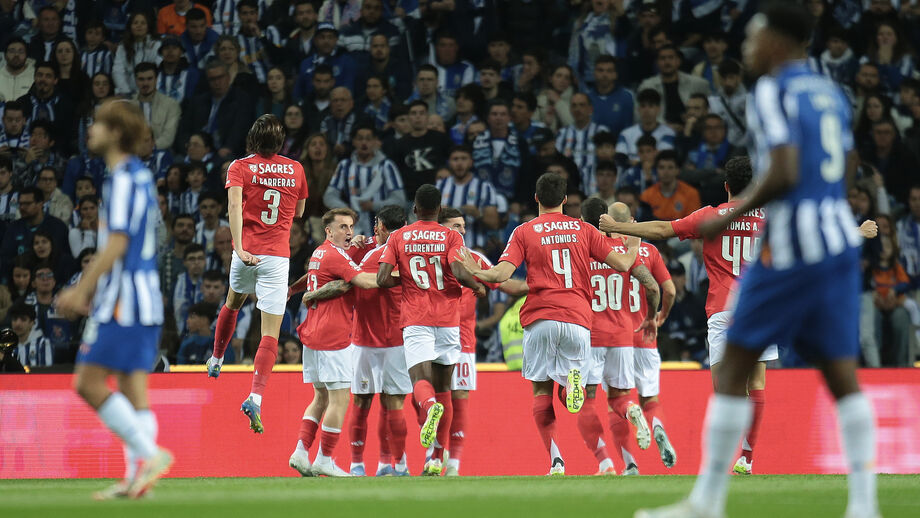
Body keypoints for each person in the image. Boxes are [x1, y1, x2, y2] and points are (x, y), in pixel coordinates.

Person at [635, 5, 877, 517]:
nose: (747, 47)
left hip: (788, 249)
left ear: (778, 41)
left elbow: (784, 169)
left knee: (732, 371)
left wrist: (729, 216)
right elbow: (850, 162)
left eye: (753, 36)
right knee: (841, 374)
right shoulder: (831, 91)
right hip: (834, 244)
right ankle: (863, 505)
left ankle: (706, 501)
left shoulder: (773, 90)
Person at [454, 172, 643, 475]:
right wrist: (633, 242)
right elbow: (622, 264)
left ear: (537, 198)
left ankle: (556, 460)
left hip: (541, 316)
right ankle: (571, 385)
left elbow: (501, 274)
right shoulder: (584, 229)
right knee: (570, 392)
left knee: (541, 392)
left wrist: (474, 269)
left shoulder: (524, 231)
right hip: (579, 320)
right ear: (566, 200)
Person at [55, 99, 172, 500]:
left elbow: (117, 242)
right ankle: (135, 482)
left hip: (124, 301)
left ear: (116, 133)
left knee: (87, 382)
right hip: (142, 298)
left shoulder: (122, 179)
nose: (91, 131)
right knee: (132, 388)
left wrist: (81, 289)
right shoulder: (140, 176)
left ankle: (149, 453)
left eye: (99, 125)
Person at [206, 114, 309, 435]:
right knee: (270, 333)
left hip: (247, 251)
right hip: (277, 257)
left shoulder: (240, 166)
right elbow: (302, 212)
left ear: (252, 138)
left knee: (233, 303)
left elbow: (233, 208)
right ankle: (256, 395)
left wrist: (238, 248)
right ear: (281, 142)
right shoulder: (295, 169)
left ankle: (217, 358)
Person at [376, 184, 487, 476]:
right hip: (449, 320)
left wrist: (409, 280)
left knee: (419, 381)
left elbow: (382, 278)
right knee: (445, 388)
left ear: (415, 209)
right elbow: (460, 269)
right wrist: (474, 284)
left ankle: (429, 407)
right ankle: (436, 457)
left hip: (416, 318)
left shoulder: (399, 236)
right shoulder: (451, 236)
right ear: (439, 209)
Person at [288, 207, 380, 477]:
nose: (349, 232)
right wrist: (397, 278)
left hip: (313, 333)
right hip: (334, 334)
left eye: (351, 227)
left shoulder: (320, 252)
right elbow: (362, 279)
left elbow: (331, 270)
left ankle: (300, 452)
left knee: (320, 397)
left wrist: (294, 289)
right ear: (328, 230)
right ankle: (325, 459)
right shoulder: (336, 256)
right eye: (342, 227)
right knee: (340, 400)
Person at [438, 207, 524, 476]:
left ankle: (453, 464)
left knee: (459, 397)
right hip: (432, 337)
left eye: (463, 226)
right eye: (455, 226)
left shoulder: (473, 258)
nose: (462, 231)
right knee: (436, 400)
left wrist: (545, 282)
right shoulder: (427, 256)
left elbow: (508, 285)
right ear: (441, 229)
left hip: (462, 340)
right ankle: (435, 455)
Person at [579, 198, 661, 476]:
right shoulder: (621, 250)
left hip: (589, 335)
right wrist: (650, 317)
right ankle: (631, 461)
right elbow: (652, 287)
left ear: (582, 219)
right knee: (619, 399)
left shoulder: (580, 247)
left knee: (585, 399)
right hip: (623, 335)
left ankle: (606, 463)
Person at [339, 205, 412, 477]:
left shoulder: (367, 257)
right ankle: (395, 464)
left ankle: (356, 464)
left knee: (361, 402)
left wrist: (356, 246)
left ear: (380, 227)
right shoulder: (410, 254)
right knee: (393, 404)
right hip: (399, 341)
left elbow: (342, 274)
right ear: (404, 225)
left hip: (364, 341)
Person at [323, 123, 406, 236]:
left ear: (375, 141)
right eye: (360, 138)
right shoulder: (345, 166)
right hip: (351, 231)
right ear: (353, 141)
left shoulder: (386, 166)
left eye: (368, 138)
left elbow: (400, 200)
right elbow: (329, 196)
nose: (364, 142)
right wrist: (346, 210)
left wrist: (374, 205)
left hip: (382, 231)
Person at [555, 93, 609, 193]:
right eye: (574, 105)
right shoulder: (562, 134)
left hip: (595, 187)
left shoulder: (601, 131)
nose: (577, 109)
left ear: (590, 109)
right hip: (568, 189)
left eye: (582, 105)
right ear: (570, 109)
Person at [639, 150, 701, 221]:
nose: (666, 172)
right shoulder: (647, 195)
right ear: (656, 170)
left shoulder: (691, 194)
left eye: (670, 167)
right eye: (661, 167)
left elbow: (693, 224)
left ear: (678, 170)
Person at [10, 302, 53, 367]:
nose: (18, 323)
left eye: (23, 319)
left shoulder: (43, 343)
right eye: (15, 319)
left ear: (32, 323)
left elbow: (47, 372)